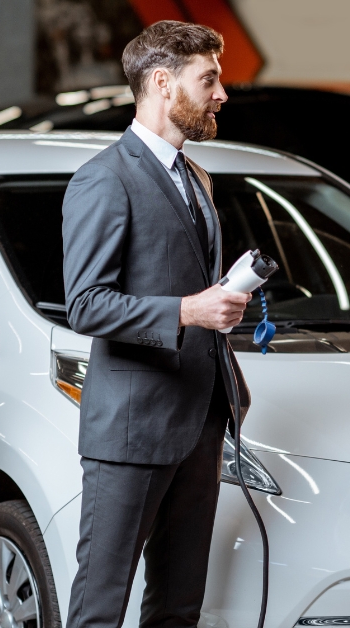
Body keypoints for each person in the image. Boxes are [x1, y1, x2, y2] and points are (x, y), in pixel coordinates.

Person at [61, 21, 251, 628]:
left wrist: (223, 299)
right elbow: (86, 303)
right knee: (101, 605)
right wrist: (188, 310)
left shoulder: (195, 177)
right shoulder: (104, 178)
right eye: (210, 80)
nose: (222, 94)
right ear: (163, 84)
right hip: (133, 429)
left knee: (178, 606)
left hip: (200, 416)